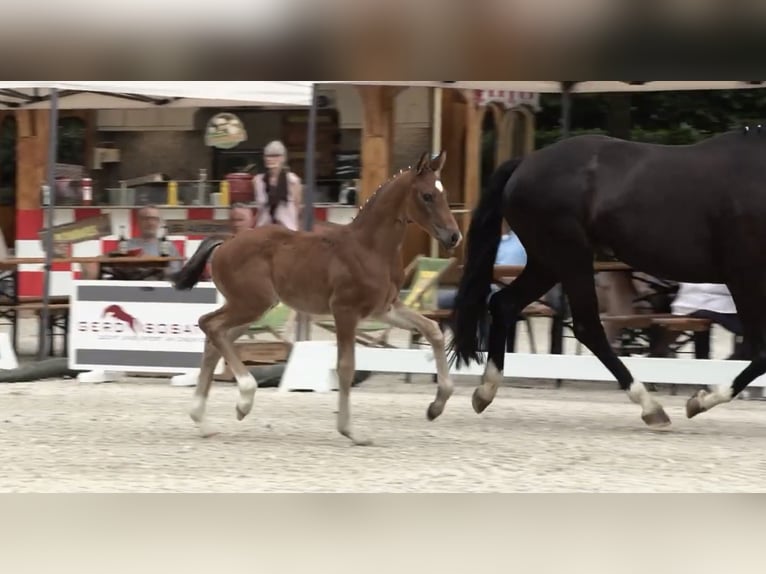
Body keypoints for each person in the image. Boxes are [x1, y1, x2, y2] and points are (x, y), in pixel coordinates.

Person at [81, 204, 182, 280]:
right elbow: (112, 262)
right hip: (128, 287)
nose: (150, 222)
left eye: (154, 219)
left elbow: (176, 274)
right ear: (139, 221)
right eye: (146, 219)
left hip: (155, 289)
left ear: (159, 222)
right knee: (90, 265)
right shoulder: (127, 244)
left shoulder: (167, 246)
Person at [253, 140, 303, 231]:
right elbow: (259, 209)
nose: (270, 159)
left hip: (287, 230)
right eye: (267, 156)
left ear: (283, 158)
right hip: (264, 229)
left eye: (275, 156)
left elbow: (297, 207)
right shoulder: (258, 181)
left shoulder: (293, 180)